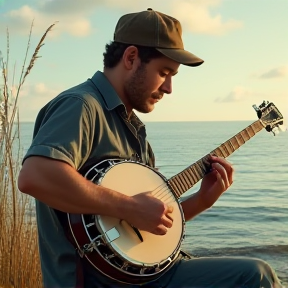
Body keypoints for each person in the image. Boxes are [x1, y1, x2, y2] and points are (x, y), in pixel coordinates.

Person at [18, 8, 283, 288]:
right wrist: (129, 206)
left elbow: (142, 228)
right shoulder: (82, 106)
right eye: (164, 72)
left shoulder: (134, 129)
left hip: (146, 276)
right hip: (103, 283)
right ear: (131, 58)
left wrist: (202, 201)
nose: (169, 88)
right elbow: (35, 176)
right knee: (256, 276)